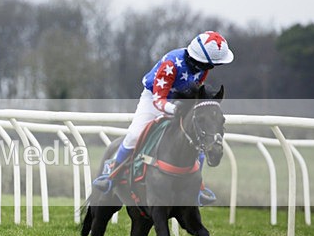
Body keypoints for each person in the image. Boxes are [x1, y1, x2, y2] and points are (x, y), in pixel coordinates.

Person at [92, 30, 234, 205]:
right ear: (202, 60)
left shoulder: (201, 68)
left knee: (197, 143)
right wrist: (175, 110)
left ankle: (198, 188)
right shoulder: (171, 64)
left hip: (176, 102)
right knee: (135, 135)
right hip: (153, 99)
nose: (211, 69)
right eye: (212, 65)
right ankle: (110, 174)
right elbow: (159, 100)